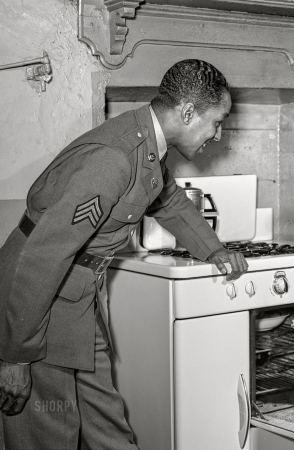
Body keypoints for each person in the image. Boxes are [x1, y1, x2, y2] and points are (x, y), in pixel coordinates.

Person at [0, 59, 248, 449]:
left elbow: (167, 200)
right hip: (39, 299)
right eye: (217, 121)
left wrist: (213, 250)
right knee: (48, 430)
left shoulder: (147, 145)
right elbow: (42, 257)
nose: (218, 134)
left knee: (106, 425)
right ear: (187, 112)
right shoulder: (113, 158)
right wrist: (14, 357)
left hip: (76, 294)